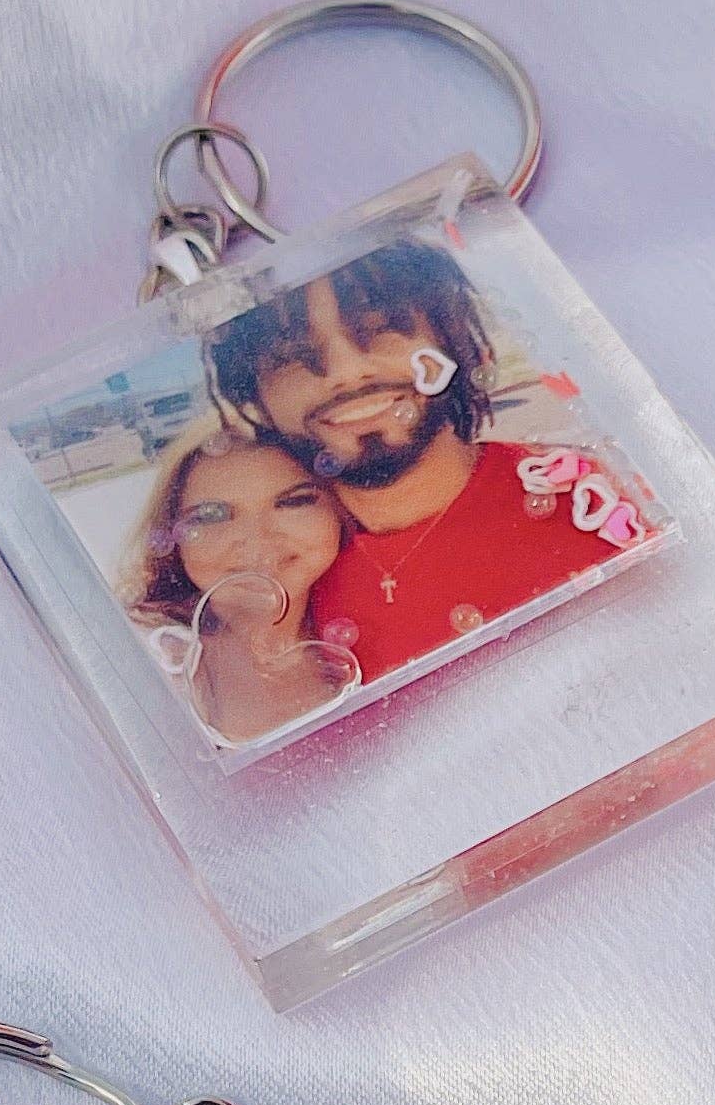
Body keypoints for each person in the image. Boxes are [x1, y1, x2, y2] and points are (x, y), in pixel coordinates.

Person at [202, 241, 638, 685]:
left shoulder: (602, 507)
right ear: (256, 398)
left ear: (453, 342)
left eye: (380, 329)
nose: (346, 372)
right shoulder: (282, 570)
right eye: (289, 356)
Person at [119, 428, 354, 742]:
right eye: (212, 515)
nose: (257, 540)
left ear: (338, 511)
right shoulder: (141, 659)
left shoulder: (370, 619)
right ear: (173, 535)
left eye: (293, 501)